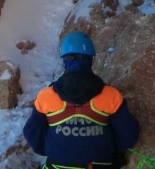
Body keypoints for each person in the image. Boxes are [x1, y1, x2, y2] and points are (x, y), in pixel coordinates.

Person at [23, 31, 140, 169]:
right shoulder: (110, 96)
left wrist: (51, 150)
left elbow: (32, 133)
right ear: (91, 60)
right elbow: (128, 136)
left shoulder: (46, 97)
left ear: (64, 61)